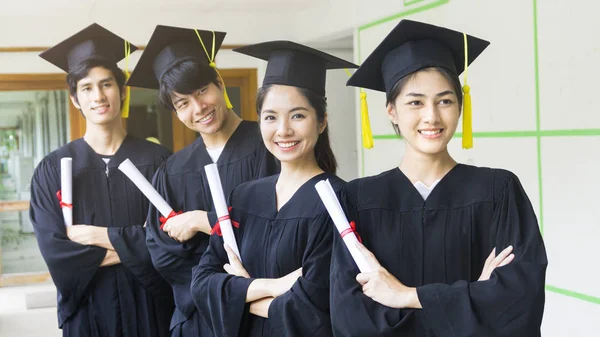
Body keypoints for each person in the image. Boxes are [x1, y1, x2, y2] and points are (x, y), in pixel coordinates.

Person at [330, 19, 548, 337]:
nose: (431, 116)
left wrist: (405, 296)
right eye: (415, 102)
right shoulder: (357, 200)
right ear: (391, 110)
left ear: (460, 106)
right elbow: (350, 317)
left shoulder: (499, 192)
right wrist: (473, 297)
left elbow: (518, 302)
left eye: (444, 101)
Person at [190, 41, 357, 337]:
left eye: (298, 115)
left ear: (321, 122)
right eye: (270, 117)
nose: (283, 130)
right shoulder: (243, 197)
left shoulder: (339, 200)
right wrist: (272, 286)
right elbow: (202, 283)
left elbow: (316, 304)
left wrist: (241, 294)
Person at [126, 25, 279, 336]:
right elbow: (162, 251)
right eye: (183, 103)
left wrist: (202, 221)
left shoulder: (269, 145)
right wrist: (217, 287)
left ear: (219, 83)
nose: (198, 108)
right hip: (202, 317)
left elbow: (284, 222)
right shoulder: (173, 170)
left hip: (268, 309)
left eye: (201, 91)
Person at [30, 23, 173, 337]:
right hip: (87, 310)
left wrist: (96, 235)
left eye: (106, 84)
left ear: (122, 90)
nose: (98, 96)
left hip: (151, 309)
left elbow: (172, 243)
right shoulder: (53, 169)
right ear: (75, 99)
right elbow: (57, 253)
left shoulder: (160, 161)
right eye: (87, 88)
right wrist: (137, 244)